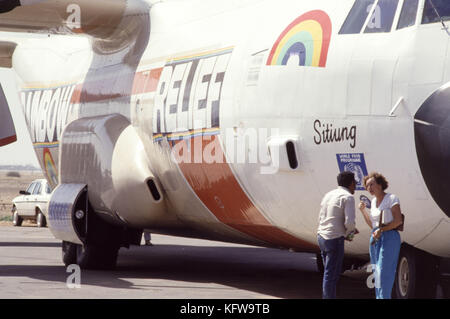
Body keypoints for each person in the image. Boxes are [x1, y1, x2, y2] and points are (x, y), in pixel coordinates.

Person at [358, 172, 403, 299]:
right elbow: (372, 225)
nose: (369, 188)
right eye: (367, 186)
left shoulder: (391, 198)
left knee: (384, 273)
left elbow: (398, 221)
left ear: (380, 184)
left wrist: (382, 230)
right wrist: (363, 211)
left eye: (372, 184)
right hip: (376, 237)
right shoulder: (372, 202)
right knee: (376, 274)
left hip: (389, 236)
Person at [317, 171, 357, 299]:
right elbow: (349, 222)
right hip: (334, 239)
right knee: (331, 276)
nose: (355, 185)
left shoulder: (328, 194)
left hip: (322, 236)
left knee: (328, 274)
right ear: (351, 183)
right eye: (355, 183)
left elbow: (321, 217)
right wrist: (350, 234)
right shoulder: (348, 197)